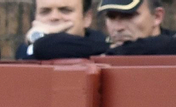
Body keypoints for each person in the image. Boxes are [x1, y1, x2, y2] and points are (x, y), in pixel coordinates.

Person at [31, 0, 176, 57]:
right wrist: (110, 48)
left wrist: (113, 51)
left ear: (157, 16)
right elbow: (44, 46)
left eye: (128, 16)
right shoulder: (101, 43)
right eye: (111, 17)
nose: (118, 27)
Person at [14, 0, 102, 59]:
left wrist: (38, 39)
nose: (54, 17)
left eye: (65, 10)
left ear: (86, 18)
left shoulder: (103, 48)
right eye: (45, 11)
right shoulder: (24, 51)